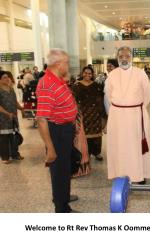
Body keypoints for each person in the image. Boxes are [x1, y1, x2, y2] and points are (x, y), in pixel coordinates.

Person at [36, 49, 78, 213]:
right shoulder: (47, 85)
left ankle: (63, 196)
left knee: (66, 167)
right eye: (66, 63)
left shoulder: (57, 79)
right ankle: (61, 208)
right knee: (59, 170)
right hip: (57, 132)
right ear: (58, 64)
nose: (68, 66)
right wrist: (50, 147)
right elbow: (41, 119)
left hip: (65, 129)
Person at [105, 46, 150, 184]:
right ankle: (120, 172)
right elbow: (108, 95)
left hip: (136, 115)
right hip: (117, 116)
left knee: (135, 146)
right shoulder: (112, 75)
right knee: (119, 145)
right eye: (121, 57)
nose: (124, 59)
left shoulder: (140, 73)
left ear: (132, 58)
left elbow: (147, 95)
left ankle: (139, 174)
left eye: (127, 56)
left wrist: (135, 107)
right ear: (117, 58)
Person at [72, 66, 106, 162]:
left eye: (89, 73)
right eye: (85, 73)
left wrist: (103, 115)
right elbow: (73, 100)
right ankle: (86, 152)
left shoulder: (96, 86)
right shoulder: (76, 85)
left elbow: (100, 100)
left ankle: (97, 153)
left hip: (95, 114)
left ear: (92, 74)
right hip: (83, 113)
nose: (87, 75)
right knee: (84, 134)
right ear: (82, 73)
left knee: (96, 135)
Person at [0, 71, 24, 164]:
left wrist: (21, 108)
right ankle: (5, 157)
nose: (7, 79)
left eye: (7, 77)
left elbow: (15, 102)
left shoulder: (11, 88)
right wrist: (7, 113)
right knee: (4, 138)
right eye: (4, 77)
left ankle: (15, 154)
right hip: (3, 119)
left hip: (13, 117)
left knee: (14, 136)